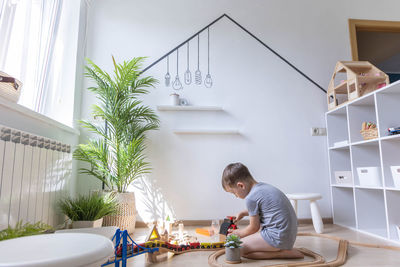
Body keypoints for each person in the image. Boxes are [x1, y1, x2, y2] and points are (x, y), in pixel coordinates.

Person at [222, 162, 304, 259]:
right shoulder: (263, 187)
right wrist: (244, 213)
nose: (236, 196)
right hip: (288, 236)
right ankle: (280, 249)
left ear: (241, 186)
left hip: (277, 238)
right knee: (247, 244)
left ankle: (282, 253)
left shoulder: (251, 198)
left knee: (238, 248)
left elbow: (253, 228)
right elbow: (265, 208)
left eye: (234, 193)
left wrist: (239, 233)